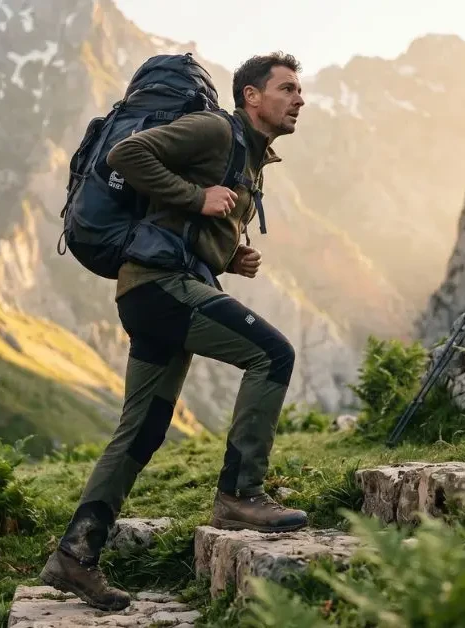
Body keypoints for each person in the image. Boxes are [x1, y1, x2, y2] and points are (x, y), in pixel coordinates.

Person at [40, 51, 307, 611]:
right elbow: (127, 153)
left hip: (159, 288)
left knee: (141, 431)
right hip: (160, 286)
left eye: (298, 91)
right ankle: (240, 494)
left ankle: (74, 557)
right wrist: (197, 198)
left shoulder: (249, 158)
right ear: (251, 97)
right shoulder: (215, 130)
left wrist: (230, 257)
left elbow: (182, 225)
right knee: (272, 355)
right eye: (286, 89)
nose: (298, 99)